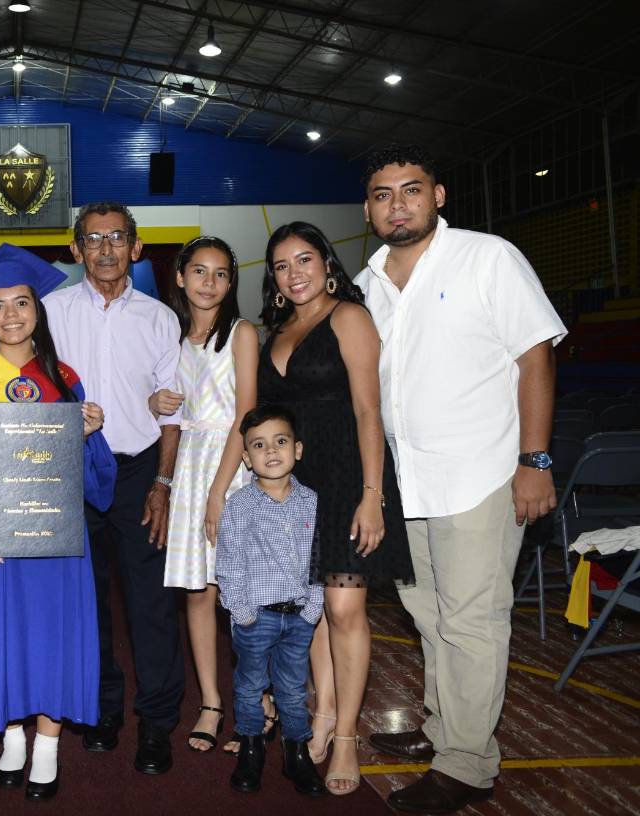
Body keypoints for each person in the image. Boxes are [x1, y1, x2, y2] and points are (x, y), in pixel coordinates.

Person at [357, 145, 564, 814]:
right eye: (384, 195)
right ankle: (446, 731)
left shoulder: (488, 257)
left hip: (481, 474)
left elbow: (535, 358)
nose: (398, 204)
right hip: (407, 482)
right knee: (427, 617)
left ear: (438, 196)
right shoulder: (366, 284)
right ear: (369, 208)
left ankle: (468, 766)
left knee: (473, 622)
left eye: (410, 190)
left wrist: (534, 461)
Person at [0, 202, 184, 775]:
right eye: (93, 239)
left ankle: (151, 724)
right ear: (75, 251)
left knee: (141, 607)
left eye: (116, 237)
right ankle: (91, 715)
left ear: (135, 245)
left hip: (115, 479)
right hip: (17, 508)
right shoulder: (28, 325)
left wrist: (140, 467)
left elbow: (166, 410)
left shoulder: (155, 320)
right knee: (76, 613)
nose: (12, 312)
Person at [0, 244, 117, 801]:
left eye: (21, 303)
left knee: (52, 633)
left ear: (38, 309)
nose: (11, 315)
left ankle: (48, 744)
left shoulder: (64, 378)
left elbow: (93, 478)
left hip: (55, 538)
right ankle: (11, 734)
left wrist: (88, 433)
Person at [257, 220, 411, 795]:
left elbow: (370, 412)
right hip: (295, 488)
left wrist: (373, 497)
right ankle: (320, 716)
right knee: (313, 612)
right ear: (273, 279)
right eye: (281, 265)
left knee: (345, 609)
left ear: (326, 262)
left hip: (348, 478)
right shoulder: (277, 331)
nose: (294, 273)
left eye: (304, 260)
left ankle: (345, 735)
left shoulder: (349, 316)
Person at [159, 237, 261, 753]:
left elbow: (247, 414)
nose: (208, 282)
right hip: (189, 466)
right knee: (198, 594)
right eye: (199, 271)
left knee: (244, 595)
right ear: (180, 276)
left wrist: (220, 491)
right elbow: (164, 404)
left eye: (220, 274)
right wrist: (155, 398)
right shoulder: (171, 335)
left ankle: (256, 700)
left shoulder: (242, 333)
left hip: (232, 465)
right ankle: (211, 701)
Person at [216, 405, 326, 797]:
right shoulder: (240, 504)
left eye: (280, 442)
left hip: (299, 616)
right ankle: (250, 748)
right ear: (246, 458)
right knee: (249, 686)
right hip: (255, 617)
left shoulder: (311, 501)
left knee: (293, 690)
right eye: (259, 445)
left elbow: (318, 559)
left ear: (297, 449)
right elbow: (229, 561)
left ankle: (296, 753)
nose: (271, 451)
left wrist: (314, 606)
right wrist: (242, 612)